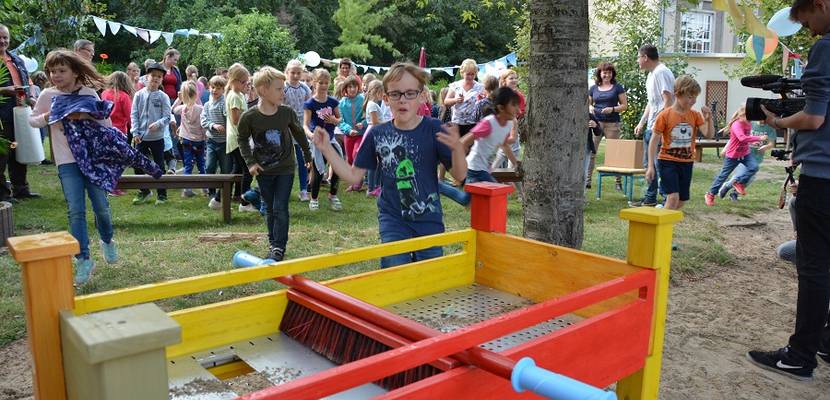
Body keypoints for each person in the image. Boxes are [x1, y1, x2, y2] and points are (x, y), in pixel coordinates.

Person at [314, 62, 466, 268]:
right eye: (395, 94)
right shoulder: (377, 133)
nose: (402, 99)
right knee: (395, 276)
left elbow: (459, 174)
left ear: (422, 96)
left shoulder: (434, 129)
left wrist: (457, 149)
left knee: (430, 279)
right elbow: (353, 176)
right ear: (386, 99)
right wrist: (327, 149)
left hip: (429, 219)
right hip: (393, 219)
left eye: (410, 93)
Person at [748, 0, 830, 381]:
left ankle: (800, 356)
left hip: (823, 177)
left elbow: (814, 116)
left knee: (813, 267)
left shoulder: (826, 47)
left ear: (821, 5)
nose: (811, 31)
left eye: (809, 19)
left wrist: (778, 119)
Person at [28, 50, 116, 285]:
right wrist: (49, 116)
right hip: (66, 161)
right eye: (52, 71)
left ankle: (107, 239)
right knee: (75, 209)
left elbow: (105, 122)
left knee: (102, 209)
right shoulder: (48, 94)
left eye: (61, 71)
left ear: (75, 71)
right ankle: (83, 259)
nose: (55, 75)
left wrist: (81, 115)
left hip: (92, 160)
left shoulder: (87, 92)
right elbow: (33, 119)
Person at [237, 66, 312, 262]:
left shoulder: (286, 113)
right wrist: (251, 163)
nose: (283, 93)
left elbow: (299, 134)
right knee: (269, 208)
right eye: (279, 89)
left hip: (286, 168)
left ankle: (279, 246)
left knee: (280, 207)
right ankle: (273, 242)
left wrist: (307, 155)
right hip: (263, 170)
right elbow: (242, 139)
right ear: (263, 90)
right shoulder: (249, 117)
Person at [440, 87, 520, 207]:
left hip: (484, 168)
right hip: (475, 169)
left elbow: (504, 145)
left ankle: (438, 185)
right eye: (514, 105)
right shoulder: (488, 123)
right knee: (496, 195)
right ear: (501, 108)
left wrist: (516, 163)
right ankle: (438, 185)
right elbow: (463, 142)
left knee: (467, 200)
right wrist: (459, 163)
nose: (517, 109)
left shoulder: (508, 124)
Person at [645, 75, 713, 211]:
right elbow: (653, 141)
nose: (693, 101)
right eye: (690, 97)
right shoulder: (665, 115)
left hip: (686, 162)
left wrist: (709, 119)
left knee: (681, 201)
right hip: (667, 161)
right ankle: (663, 230)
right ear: (678, 94)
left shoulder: (695, 115)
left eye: (695, 97)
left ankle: (664, 220)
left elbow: (709, 134)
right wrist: (650, 166)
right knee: (673, 197)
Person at [632, 44, 675, 207]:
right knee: (648, 163)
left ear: (645, 57)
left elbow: (668, 100)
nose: (638, 61)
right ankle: (650, 197)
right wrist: (642, 122)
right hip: (651, 126)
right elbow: (652, 103)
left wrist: (662, 123)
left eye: (638, 57)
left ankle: (666, 199)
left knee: (661, 163)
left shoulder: (661, 72)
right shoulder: (651, 74)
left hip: (661, 126)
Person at [0, 24, 39, 201]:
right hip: (2, 116)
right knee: (2, 154)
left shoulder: (16, 59)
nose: (2, 41)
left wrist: (31, 97)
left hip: (20, 112)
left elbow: (28, 82)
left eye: (5, 37)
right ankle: (2, 194)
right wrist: (3, 90)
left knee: (18, 151)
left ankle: (21, 189)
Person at [704, 105, 765, 206]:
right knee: (723, 176)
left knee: (754, 167)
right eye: (749, 116)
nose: (751, 119)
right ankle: (710, 194)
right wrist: (758, 138)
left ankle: (738, 182)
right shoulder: (736, 124)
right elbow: (741, 138)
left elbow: (746, 138)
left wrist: (752, 142)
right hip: (733, 155)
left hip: (745, 153)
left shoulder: (748, 124)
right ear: (742, 115)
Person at [130, 62, 171, 205]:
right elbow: (134, 114)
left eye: (159, 77)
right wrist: (135, 132)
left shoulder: (163, 97)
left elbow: (167, 117)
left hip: (157, 137)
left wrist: (158, 124)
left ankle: (162, 194)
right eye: (153, 75)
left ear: (162, 79)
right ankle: (144, 191)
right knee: (137, 163)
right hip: (140, 137)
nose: (155, 78)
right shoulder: (139, 95)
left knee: (159, 165)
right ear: (147, 77)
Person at [303, 68, 343, 211]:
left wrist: (334, 119)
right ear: (314, 82)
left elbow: (339, 119)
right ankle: (314, 198)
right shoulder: (310, 103)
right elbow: (305, 125)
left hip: (331, 140)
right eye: (321, 82)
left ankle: (333, 195)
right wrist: (310, 134)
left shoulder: (333, 102)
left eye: (326, 83)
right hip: (318, 142)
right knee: (318, 171)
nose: (324, 86)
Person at [587, 62, 628, 190]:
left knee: (614, 153)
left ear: (612, 74)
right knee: (592, 152)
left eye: (609, 72)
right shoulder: (593, 88)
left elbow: (624, 106)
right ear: (600, 73)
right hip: (596, 123)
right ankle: (587, 180)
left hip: (612, 124)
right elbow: (588, 103)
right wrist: (591, 107)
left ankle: (618, 181)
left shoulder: (617, 87)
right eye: (604, 72)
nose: (607, 75)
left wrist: (612, 109)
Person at [718, 120, 777, 201]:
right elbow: (736, 137)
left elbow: (771, 143)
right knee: (740, 175)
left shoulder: (770, 128)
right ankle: (727, 187)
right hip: (744, 154)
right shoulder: (749, 124)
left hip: (757, 157)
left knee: (750, 178)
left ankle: (734, 193)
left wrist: (765, 147)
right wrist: (726, 149)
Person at [224, 63, 255, 212]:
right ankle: (244, 202)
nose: (245, 85)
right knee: (248, 170)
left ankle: (218, 199)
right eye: (243, 82)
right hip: (237, 140)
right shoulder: (235, 96)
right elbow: (236, 120)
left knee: (236, 171)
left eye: (247, 82)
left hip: (238, 138)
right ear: (234, 81)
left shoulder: (240, 95)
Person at [283, 59, 312, 202]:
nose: (295, 75)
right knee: (286, 160)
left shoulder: (305, 88)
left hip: (300, 127)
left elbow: (309, 107)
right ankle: (283, 189)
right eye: (292, 72)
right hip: (286, 126)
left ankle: (303, 189)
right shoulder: (283, 87)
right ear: (287, 73)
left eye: (298, 73)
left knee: (303, 159)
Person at [201, 76, 231, 209]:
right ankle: (211, 191)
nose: (215, 90)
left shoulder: (224, 103)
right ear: (209, 87)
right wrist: (213, 125)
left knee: (225, 169)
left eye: (218, 88)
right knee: (209, 166)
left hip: (224, 142)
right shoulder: (207, 105)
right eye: (213, 87)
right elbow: (203, 121)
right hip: (212, 141)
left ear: (223, 90)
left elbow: (229, 117)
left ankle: (225, 192)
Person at [173, 81, 205, 197]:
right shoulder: (201, 109)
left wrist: (179, 98)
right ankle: (205, 188)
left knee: (188, 165)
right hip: (199, 140)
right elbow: (203, 124)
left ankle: (187, 189)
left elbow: (173, 109)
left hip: (186, 140)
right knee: (201, 164)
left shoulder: (182, 108)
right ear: (196, 94)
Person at [362, 80, 392, 198]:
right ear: (377, 92)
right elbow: (375, 122)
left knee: (379, 161)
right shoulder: (372, 105)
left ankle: (377, 186)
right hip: (374, 133)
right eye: (382, 92)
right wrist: (388, 122)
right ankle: (371, 188)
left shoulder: (373, 104)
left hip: (376, 132)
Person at [337, 75, 366, 191]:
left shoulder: (363, 99)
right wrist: (348, 130)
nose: (352, 89)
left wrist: (363, 123)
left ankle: (359, 180)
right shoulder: (342, 103)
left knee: (356, 154)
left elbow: (368, 115)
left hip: (361, 134)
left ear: (358, 87)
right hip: (348, 135)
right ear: (345, 89)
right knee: (349, 159)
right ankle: (354, 182)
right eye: (349, 87)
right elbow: (340, 121)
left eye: (354, 86)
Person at [444, 59, 483, 139]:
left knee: (470, 149)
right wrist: (455, 100)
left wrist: (482, 100)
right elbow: (446, 101)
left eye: (473, 74)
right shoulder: (455, 85)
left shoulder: (480, 87)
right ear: (462, 73)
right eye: (468, 74)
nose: (470, 77)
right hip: (457, 124)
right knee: (457, 148)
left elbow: (486, 102)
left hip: (473, 124)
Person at [101, 71, 134, 137]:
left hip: (106, 128)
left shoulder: (104, 93)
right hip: (120, 131)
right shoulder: (124, 96)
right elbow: (130, 116)